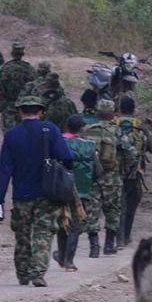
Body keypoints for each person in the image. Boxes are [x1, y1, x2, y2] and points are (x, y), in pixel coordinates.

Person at [0, 95, 73, 288]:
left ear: (20, 112)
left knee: (22, 235)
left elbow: (5, 170)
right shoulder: (50, 129)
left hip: (21, 195)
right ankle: (38, 273)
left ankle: (22, 274)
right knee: (43, 233)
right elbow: (67, 157)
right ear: (40, 112)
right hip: (48, 193)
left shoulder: (11, 135)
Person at [80, 99, 124, 255]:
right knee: (112, 210)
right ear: (112, 114)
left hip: (93, 178)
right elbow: (129, 152)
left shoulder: (87, 130)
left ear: (98, 113)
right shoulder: (118, 131)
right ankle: (109, 245)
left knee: (92, 211)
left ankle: (94, 248)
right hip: (112, 178)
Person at [114, 95, 152, 247]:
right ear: (134, 110)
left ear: (120, 109)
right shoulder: (140, 126)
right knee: (131, 205)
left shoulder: (113, 124)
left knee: (118, 205)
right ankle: (126, 237)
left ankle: (118, 239)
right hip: (135, 173)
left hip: (115, 172)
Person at [57, 116, 100, 270]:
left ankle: (61, 256)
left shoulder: (60, 143)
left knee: (63, 223)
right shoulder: (90, 146)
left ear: (67, 127)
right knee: (76, 226)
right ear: (82, 129)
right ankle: (69, 261)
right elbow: (98, 170)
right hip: (82, 192)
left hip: (62, 189)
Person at [0, 41, 34, 133]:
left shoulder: (4, 67)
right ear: (22, 54)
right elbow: (36, 87)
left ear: (12, 53)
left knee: (8, 132)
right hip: (24, 106)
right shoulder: (29, 69)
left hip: (7, 104)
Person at [40, 64, 77, 131]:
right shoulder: (67, 102)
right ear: (58, 86)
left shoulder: (39, 101)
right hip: (61, 135)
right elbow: (75, 118)